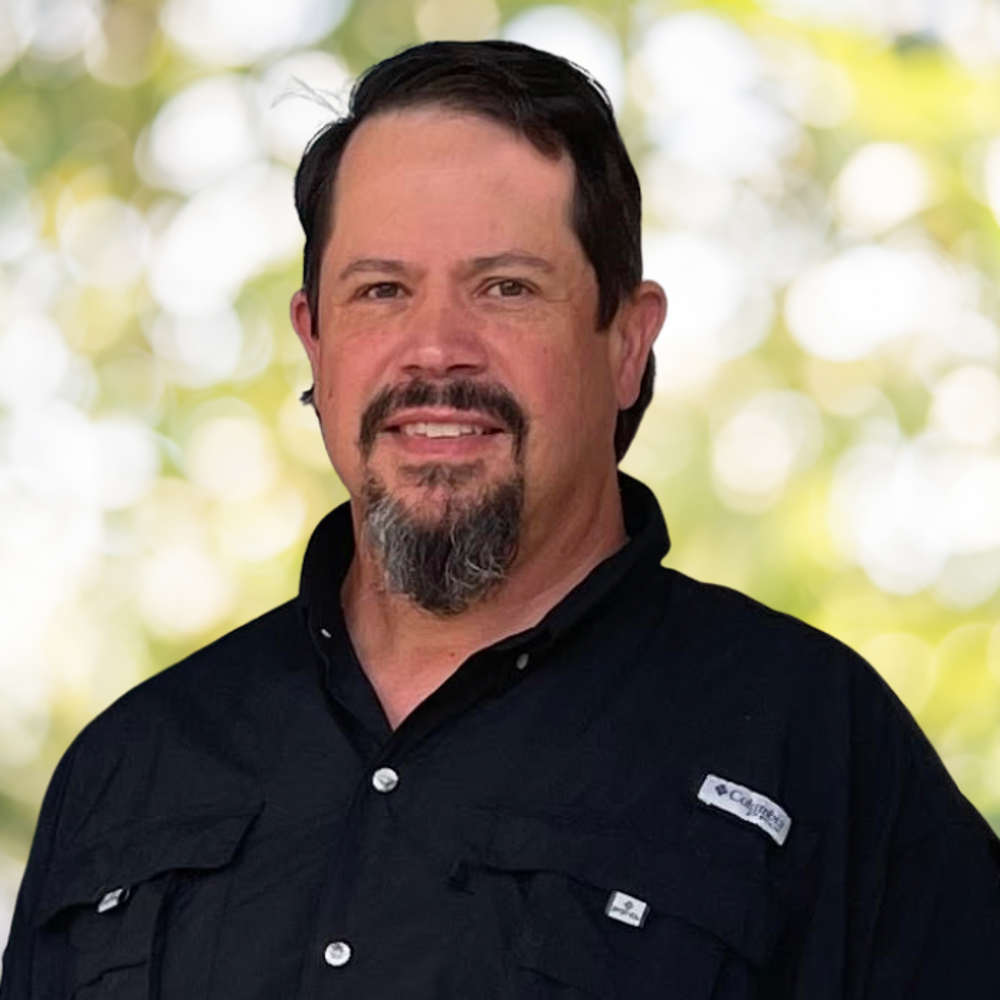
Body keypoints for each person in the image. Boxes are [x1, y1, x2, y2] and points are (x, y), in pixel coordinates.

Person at [2, 39, 999, 1000]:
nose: (436, 349)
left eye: (506, 288)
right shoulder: (130, 768)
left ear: (627, 342)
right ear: (316, 342)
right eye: (381, 290)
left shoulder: (816, 748)